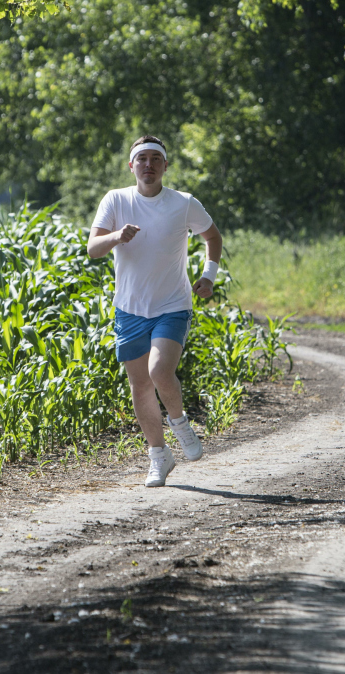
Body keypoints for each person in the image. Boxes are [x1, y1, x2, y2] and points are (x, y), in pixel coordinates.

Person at [87, 135, 223, 487]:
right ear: (131, 166)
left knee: (160, 371)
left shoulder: (184, 203)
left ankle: (179, 423)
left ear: (165, 165)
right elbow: (93, 248)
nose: (148, 164)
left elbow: (213, 237)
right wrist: (116, 236)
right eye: (141, 159)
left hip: (172, 305)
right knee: (140, 386)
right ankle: (158, 457)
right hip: (130, 309)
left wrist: (208, 277)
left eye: (155, 159)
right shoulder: (116, 200)